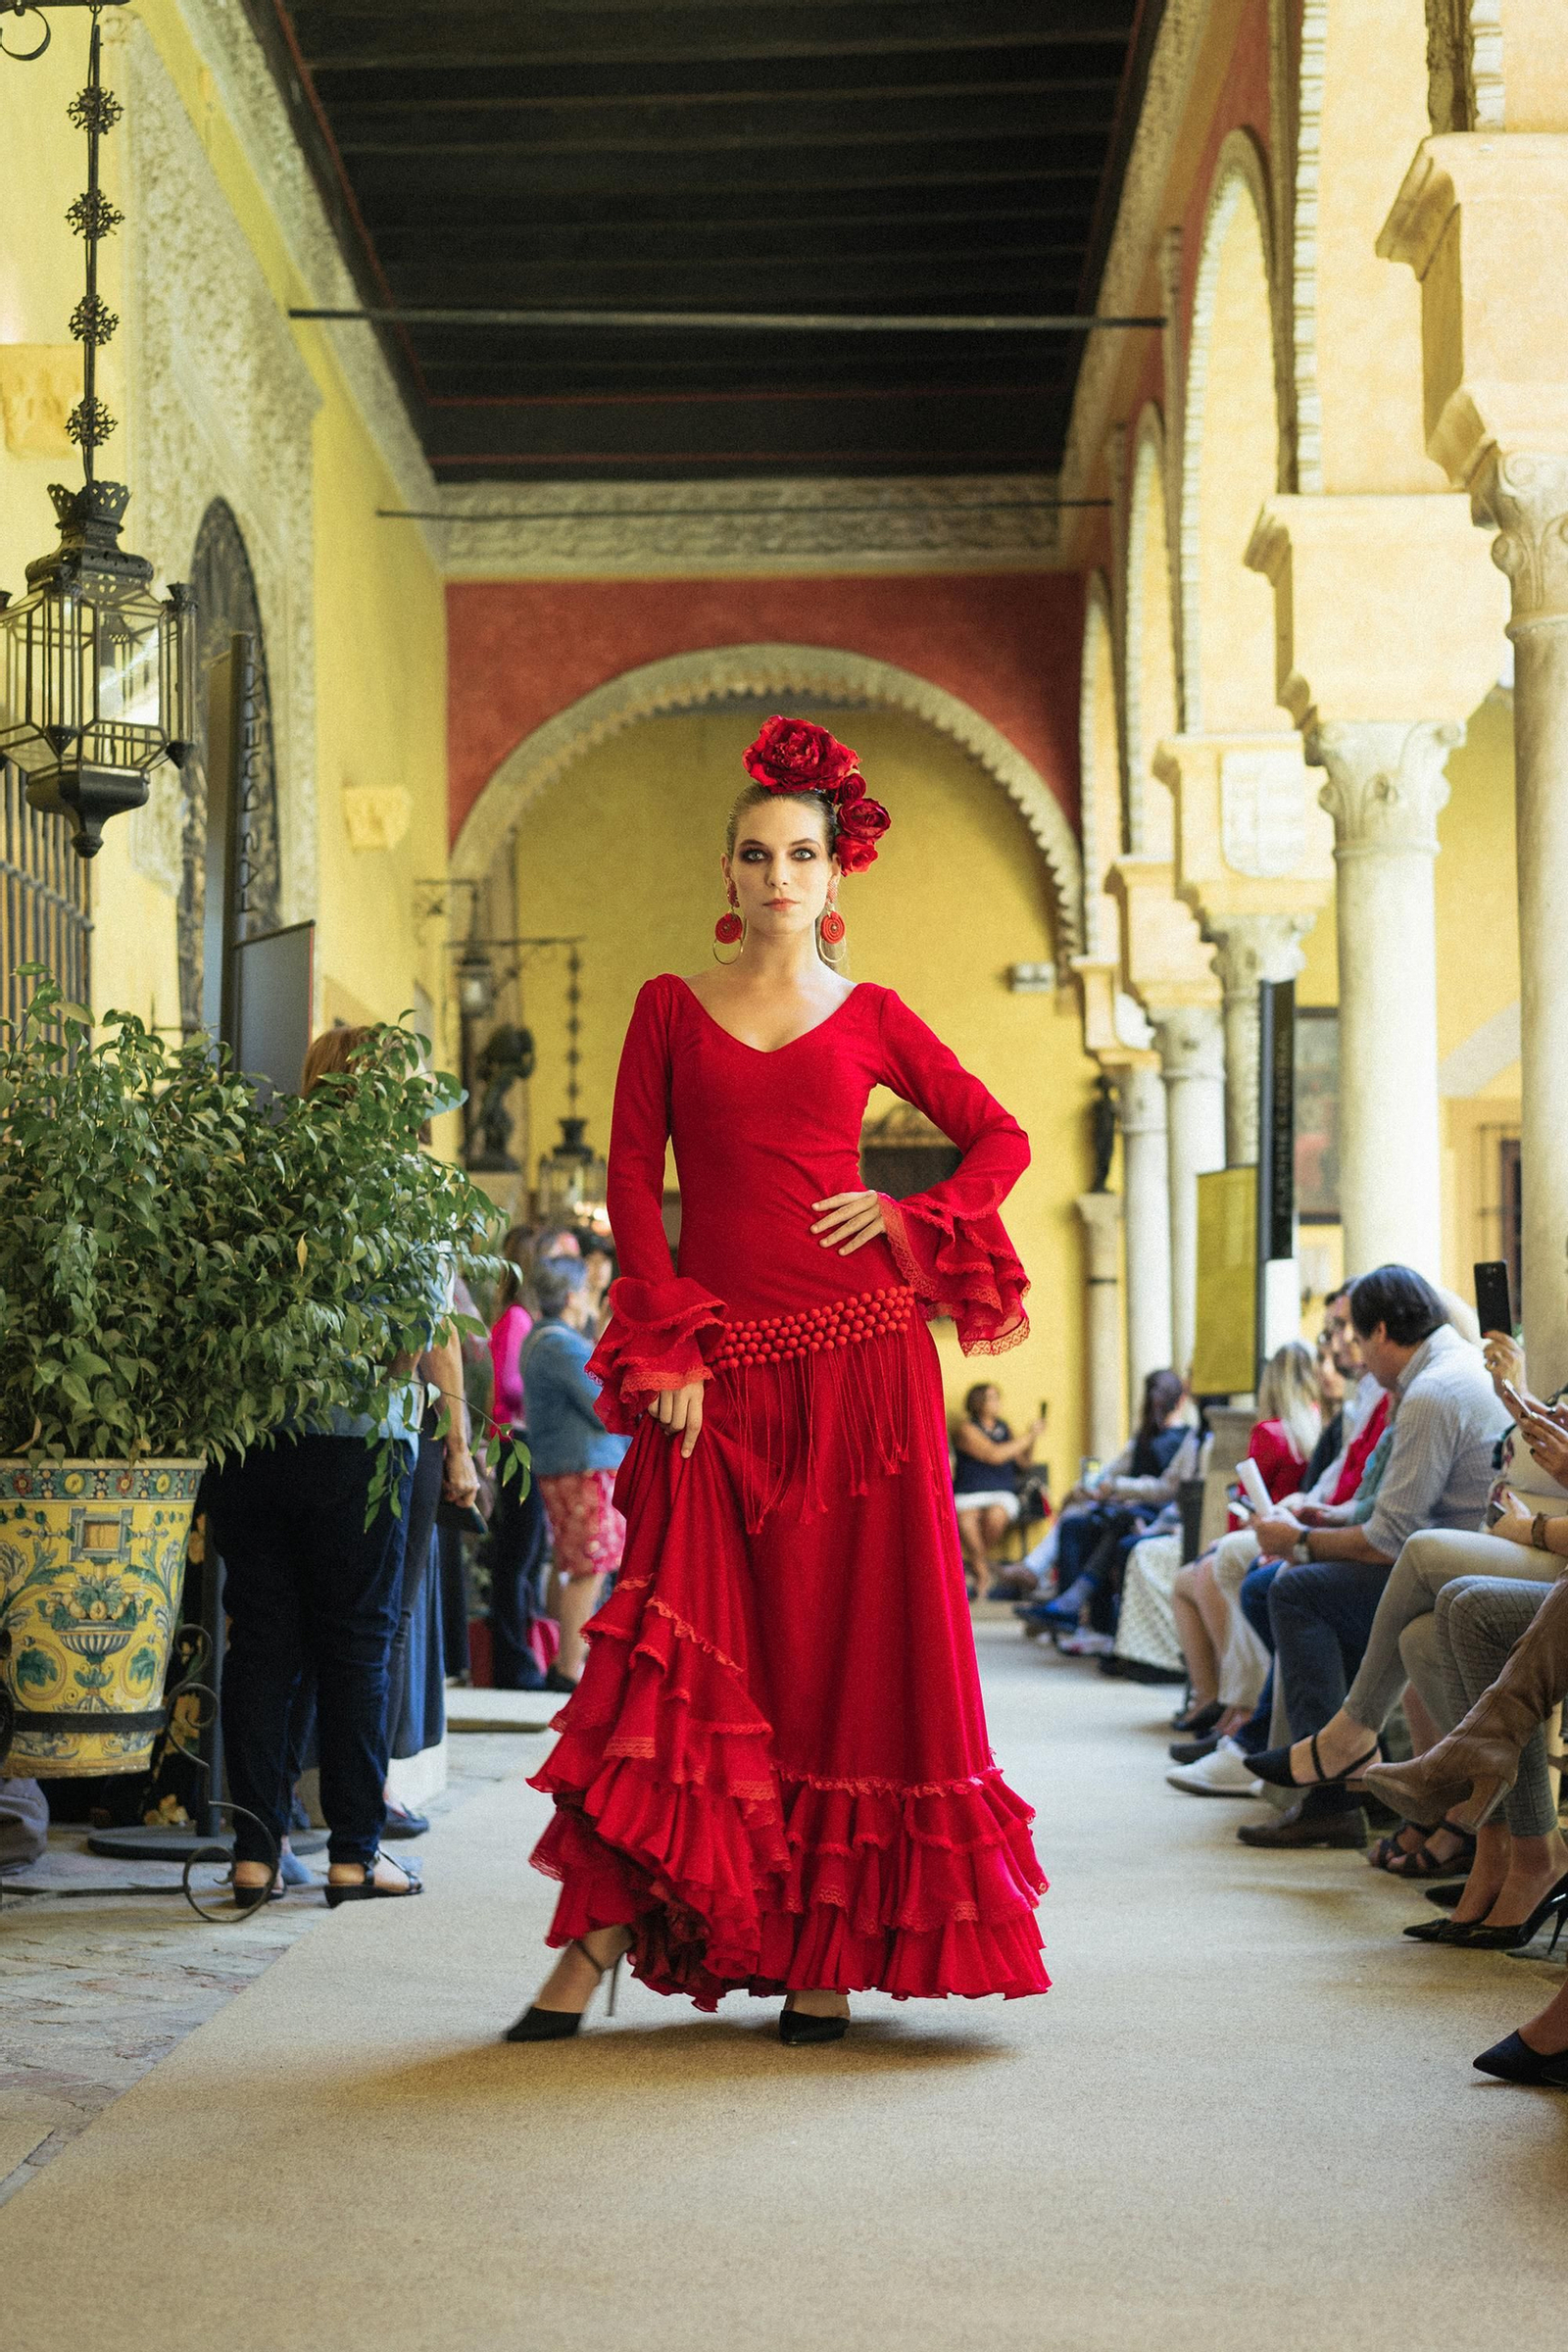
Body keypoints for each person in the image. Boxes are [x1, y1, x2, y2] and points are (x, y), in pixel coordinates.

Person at [508, 715, 1048, 2045]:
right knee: (671, 1639)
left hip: (865, 1373)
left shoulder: (873, 1015)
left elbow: (1000, 1137)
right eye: (756, 853)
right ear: (730, 871)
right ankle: (596, 1938)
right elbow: (633, 1179)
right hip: (721, 1374)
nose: (778, 874)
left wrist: (911, 1219)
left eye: (801, 853)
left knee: (846, 1649)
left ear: (833, 872)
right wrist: (669, 1341)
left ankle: (826, 1951)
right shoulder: (668, 1006)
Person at [207, 1025, 474, 1909]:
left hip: (254, 1444)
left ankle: (254, 1854)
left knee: (261, 1643)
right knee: (357, 1646)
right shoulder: (408, 1188)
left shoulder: (256, 1174)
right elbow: (423, 1336)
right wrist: (442, 1432)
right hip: (360, 1446)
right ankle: (355, 1856)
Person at [1238, 1264, 1508, 1849]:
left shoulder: (1432, 1391)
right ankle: (1350, 1761)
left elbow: (1390, 1539)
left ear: (1382, 1331)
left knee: (1297, 1589)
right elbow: (1398, 1510)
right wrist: (1325, 1520)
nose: (1358, 1358)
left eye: (1359, 1340)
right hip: (1450, 1558)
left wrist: (1298, 1543)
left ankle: (1337, 1781)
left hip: (1460, 1571)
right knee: (1304, 1584)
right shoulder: (1444, 1371)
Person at [520, 1254, 631, 1687]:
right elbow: (603, 1402)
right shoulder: (559, 1344)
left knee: (576, 1562)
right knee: (591, 1566)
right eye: (585, 1290)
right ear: (570, 1297)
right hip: (583, 1467)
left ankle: (563, 1661)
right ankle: (568, 1670)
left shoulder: (542, 1339)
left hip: (569, 1465)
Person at [1022, 1369, 1197, 1638]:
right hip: (1133, 1509)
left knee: (1114, 1529)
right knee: (1076, 1524)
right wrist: (1091, 1488)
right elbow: (1113, 1472)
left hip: (1155, 1515)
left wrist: (1117, 1489)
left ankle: (1073, 1605)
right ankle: (1068, 1609)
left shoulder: (1186, 1437)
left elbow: (1165, 1490)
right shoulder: (1146, 1438)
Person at [952, 1382, 1044, 1596]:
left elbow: (1024, 1463)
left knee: (996, 1515)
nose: (997, 1402)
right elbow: (994, 1455)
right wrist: (1029, 1436)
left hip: (1001, 1492)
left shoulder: (1005, 1428)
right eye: (992, 1398)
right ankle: (985, 1569)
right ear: (978, 1402)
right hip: (969, 1492)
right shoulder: (966, 1430)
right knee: (965, 1520)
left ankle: (978, 1568)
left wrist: (1032, 1440)